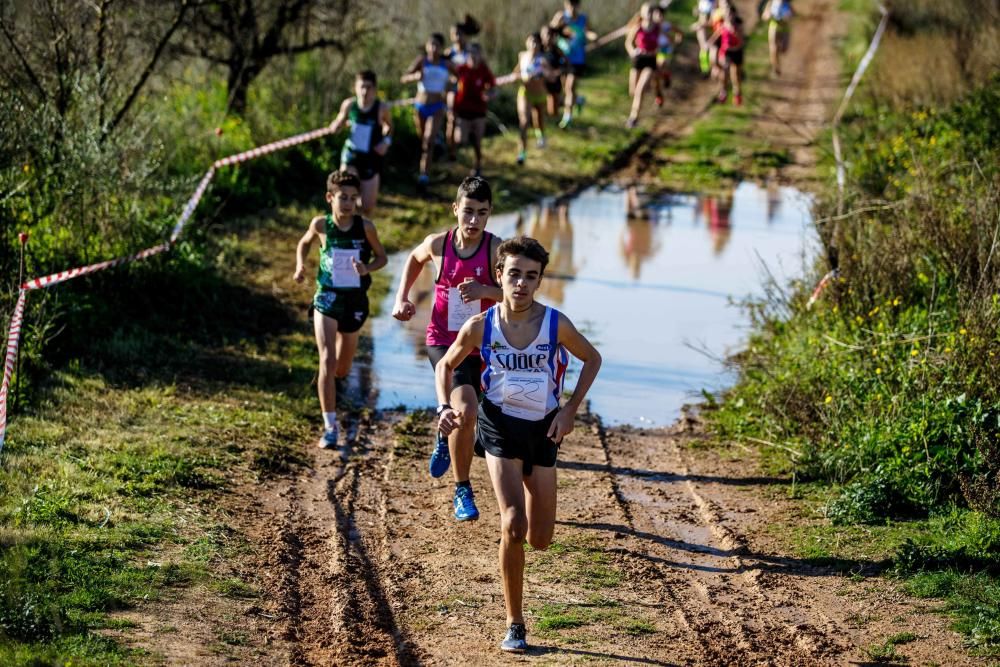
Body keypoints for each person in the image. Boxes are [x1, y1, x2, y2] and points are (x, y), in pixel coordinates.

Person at [435, 236, 601, 653]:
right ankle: (515, 623)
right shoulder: (481, 326)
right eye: (514, 275)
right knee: (513, 523)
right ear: (499, 276)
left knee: (540, 538)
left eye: (531, 276)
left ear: (540, 280)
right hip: (500, 428)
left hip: (544, 429)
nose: (522, 284)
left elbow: (592, 358)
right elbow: (446, 364)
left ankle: (526, 523)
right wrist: (443, 407)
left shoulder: (555, 323)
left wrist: (569, 411)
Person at [392, 176, 502, 521]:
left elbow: (515, 294)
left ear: (489, 215)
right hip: (444, 341)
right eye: (467, 212)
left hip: (483, 346)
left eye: (481, 214)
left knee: (479, 416)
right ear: (455, 209)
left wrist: (486, 288)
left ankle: (447, 437)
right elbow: (413, 258)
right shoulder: (439, 245)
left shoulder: (495, 248)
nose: (473, 221)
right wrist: (402, 297)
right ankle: (462, 489)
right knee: (466, 410)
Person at [294, 170, 388, 448]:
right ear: (329, 197)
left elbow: (382, 257)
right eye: (342, 197)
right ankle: (330, 426)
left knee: (342, 368)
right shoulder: (321, 225)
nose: (347, 203)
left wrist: (367, 267)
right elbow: (304, 243)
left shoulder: (366, 227)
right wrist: (300, 266)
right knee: (326, 360)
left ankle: (334, 385)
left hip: (355, 301)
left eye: (352, 197)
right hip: (326, 298)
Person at [327, 70, 393, 217]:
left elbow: (389, 127)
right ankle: (348, 230)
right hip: (351, 155)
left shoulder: (381, 108)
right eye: (361, 87)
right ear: (355, 87)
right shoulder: (349, 105)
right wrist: (335, 126)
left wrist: (386, 142)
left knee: (367, 207)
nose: (364, 91)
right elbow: (339, 120)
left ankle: (358, 226)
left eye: (368, 87)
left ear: (375, 89)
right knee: (345, 196)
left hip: (371, 157)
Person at [402, 33, 455, 191]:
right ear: (426, 46)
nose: (433, 48)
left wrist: (452, 85)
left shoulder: (446, 64)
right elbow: (404, 78)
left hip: (437, 106)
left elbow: (460, 79)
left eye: (436, 45)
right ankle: (429, 157)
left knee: (428, 140)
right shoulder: (422, 61)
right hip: (420, 105)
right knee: (423, 141)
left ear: (441, 48)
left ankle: (424, 174)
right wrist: (415, 76)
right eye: (430, 45)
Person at [549, 0, 597, 129]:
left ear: (578, 5)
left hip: (578, 60)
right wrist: (556, 24)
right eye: (569, 4)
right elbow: (550, 32)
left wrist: (593, 37)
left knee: (570, 88)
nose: (572, 7)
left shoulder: (583, 19)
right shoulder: (561, 17)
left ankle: (567, 116)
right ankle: (579, 100)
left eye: (574, 4)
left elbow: (588, 32)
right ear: (565, 5)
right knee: (567, 89)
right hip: (563, 59)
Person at [452, 43, 496, 177]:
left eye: (476, 53)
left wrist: (490, 95)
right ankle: (458, 161)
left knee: (477, 141)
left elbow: (493, 87)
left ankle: (477, 166)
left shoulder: (484, 70)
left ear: (480, 55)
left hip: (478, 110)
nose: (473, 56)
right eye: (471, 53)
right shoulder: (461, 69)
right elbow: (451, 83)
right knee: (460, 140)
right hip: (463, 110)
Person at [445, 15, 481, 160]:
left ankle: (475, 155)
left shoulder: (472, 51)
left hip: (470, 93)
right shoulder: (449, 53)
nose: (456, 36)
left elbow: (481, 69)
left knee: (471, 124)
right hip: (454, 91)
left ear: (465, 35)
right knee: (451, 119)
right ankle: (451, 152)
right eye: (453, 33)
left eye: (459, 33)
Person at [513, 33, 552, 166]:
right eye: (531, 41)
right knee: (524, 122)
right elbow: (516, 72)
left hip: (540, 94)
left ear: (540, 44)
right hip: (525, 93)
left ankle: (541, 136)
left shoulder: (543, 60)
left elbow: (551, 76)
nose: (534, 45)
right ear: (526, 43)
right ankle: (522, 153)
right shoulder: (522, 56)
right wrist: (516, 77)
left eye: (536, 42)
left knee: (539, 120)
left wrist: (543, 73)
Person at [625, 3, 661, 128]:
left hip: (650, 60)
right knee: (633, 91)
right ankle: (655, 90)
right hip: (638, 60)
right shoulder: (638, 27)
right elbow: (628, 43)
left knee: (639, 90)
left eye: (651, 12)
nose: (649, 14)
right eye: (647, 12)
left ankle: (633, 118)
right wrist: (632, 52)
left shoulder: (657, 27)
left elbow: (663, 41)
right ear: (642, 13)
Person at [711, 1, 745, 105]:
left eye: (730, 14)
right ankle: (723, 92)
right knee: (724, 71)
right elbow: (715, 36)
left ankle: (737, 93)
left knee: (735, 75)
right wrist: (710, 43)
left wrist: (735, 32)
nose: (729, 16)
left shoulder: (738, 26)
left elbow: (741, 41)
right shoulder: (723, 25)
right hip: (726, 52)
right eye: (727, 14)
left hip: (736, 52)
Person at [652, 4, 684, 105]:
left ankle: (665, 76)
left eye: (661, 15)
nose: (659, 17)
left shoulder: (666, 25)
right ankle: (658, 94)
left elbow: (679, 32)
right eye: (657, 14)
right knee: (655, 75)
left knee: (661, 64)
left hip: (665, 49)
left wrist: (677, 42)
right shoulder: (650, 26)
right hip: (653, 50)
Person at [540, 26, 568, 118]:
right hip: (540, 83)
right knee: (540, 106)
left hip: (554, 83)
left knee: (552, 110)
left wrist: (557, 73)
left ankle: (554, 123)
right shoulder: (538, 50)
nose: (548, 37)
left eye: (550, 35)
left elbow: (565, 64)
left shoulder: (557, 51)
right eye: (546, 34)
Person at [762, 0, 793, 77]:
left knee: (783, 49)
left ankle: (776, 62)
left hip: (785, 29)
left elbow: (792, 15)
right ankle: (775, 68)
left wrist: (788, 17)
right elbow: (764, 16)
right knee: (774, 49)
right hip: (774, 27)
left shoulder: (787, 4)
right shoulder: (771, 3)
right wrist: (768, 16)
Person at [692, 0, 717, 76]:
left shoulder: (715, 2)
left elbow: (713, 19)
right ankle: (705, 69)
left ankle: (713, 67)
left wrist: (700, 24)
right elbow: (696, 13)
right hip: (702, 27)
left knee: (710, 47)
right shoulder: (701, 2)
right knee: (703, 48)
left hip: (710, 28)